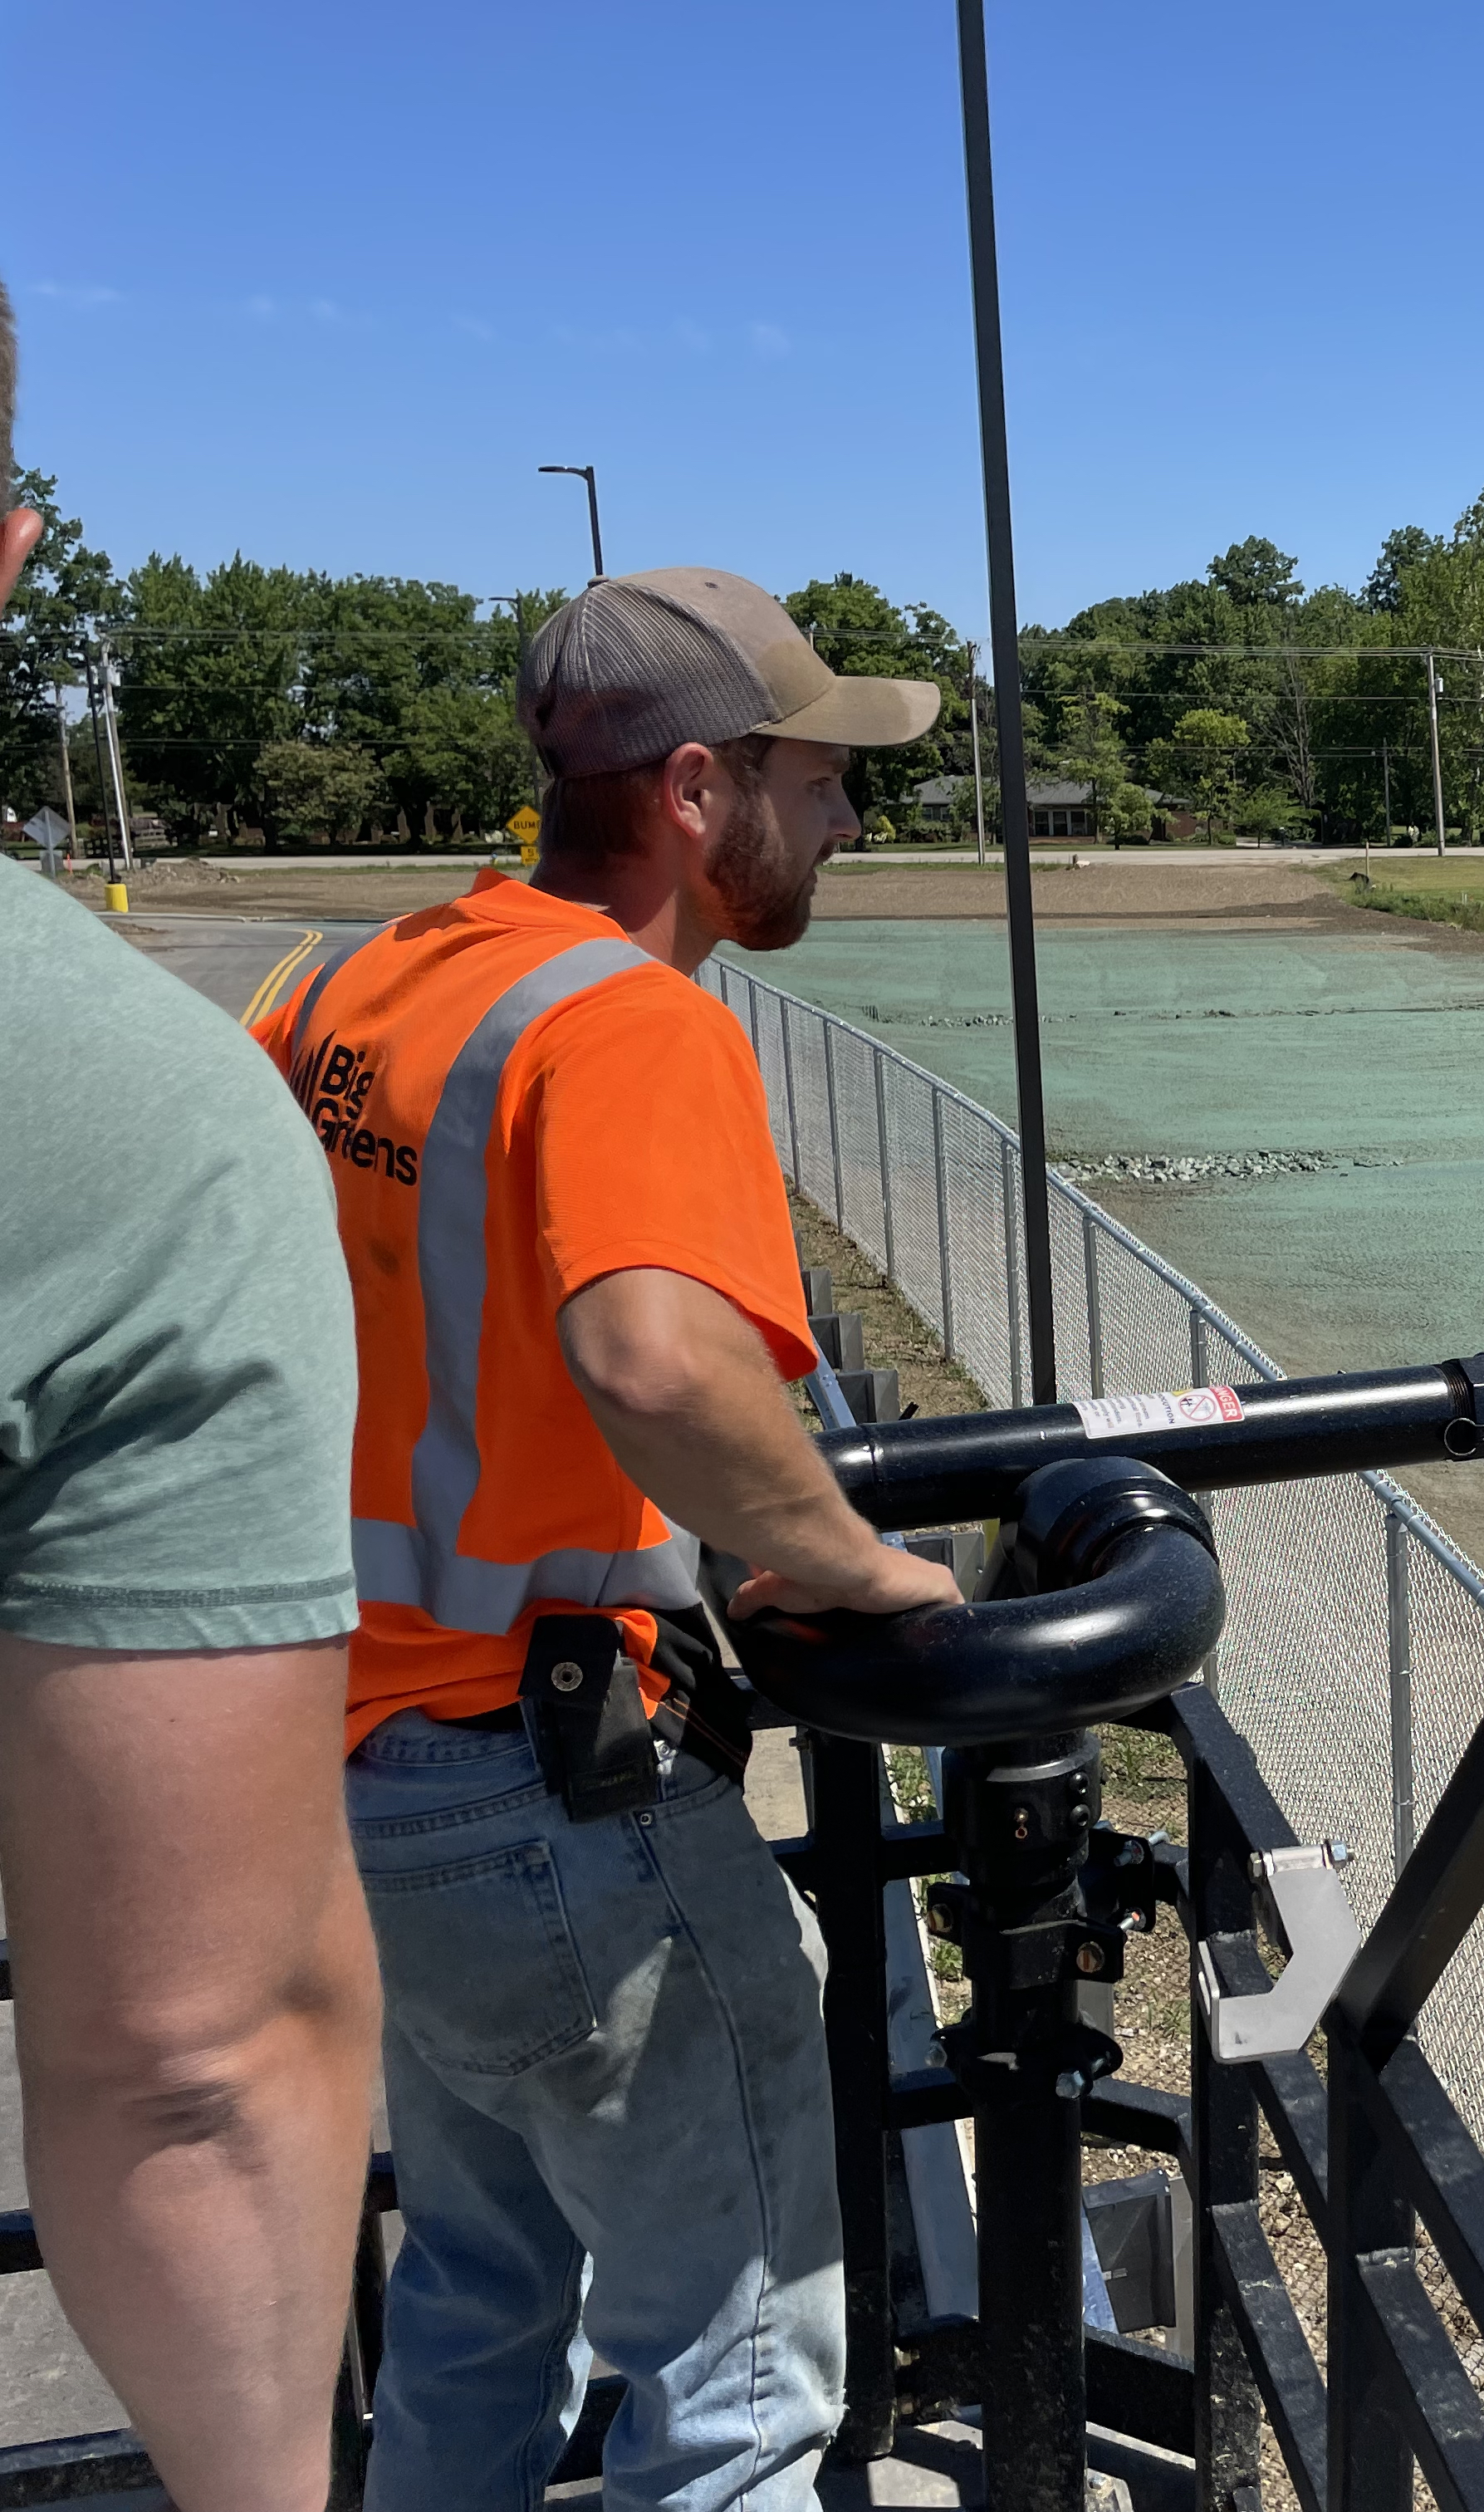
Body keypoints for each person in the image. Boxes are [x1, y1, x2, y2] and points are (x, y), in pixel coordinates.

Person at [258, 568, 960, 2511]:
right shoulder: (627, 1025)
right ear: (694, 793)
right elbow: (651, 1360)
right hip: (557, 1803)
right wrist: (851, 1561)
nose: (849, 822)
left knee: (474, 2317)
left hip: (355, 1791)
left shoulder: (340, 989)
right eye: (823, 781)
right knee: (734, 2395)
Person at [0, 277, 386, 2512]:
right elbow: (183, 2056)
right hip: (491, 1751)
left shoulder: (383, 988)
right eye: (828, 779)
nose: (841, 818)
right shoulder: (119, 1116)